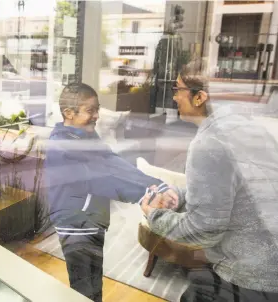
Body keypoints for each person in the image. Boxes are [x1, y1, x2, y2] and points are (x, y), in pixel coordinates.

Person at [141, 60, 278, 302]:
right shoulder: (247, 127)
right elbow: (231, 192)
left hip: (250, 276)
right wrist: (180, 195)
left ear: (199, 97)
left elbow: (203, 231)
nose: (174, 97)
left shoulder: (210, 144)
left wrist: (154, 215)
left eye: (177, 89)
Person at [44, 83, 178, 302]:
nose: (97, 116)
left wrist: (155, 184)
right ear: (69, 113)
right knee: (82, 287)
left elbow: (111, 162)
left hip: (94, 220)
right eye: (90, 110)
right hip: (75, 225)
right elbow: (100, 180)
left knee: (95, 278)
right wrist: (146, 195)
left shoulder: (86, 135)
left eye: (97, 109)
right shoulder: (62, 145)